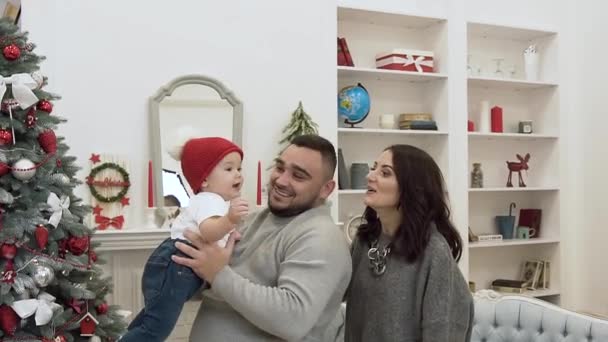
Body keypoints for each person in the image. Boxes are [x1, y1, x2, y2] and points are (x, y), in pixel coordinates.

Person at [172, 134, 352, 341]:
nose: (281, 180)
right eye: (280, 167)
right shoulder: (253, 219)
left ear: (325, 189)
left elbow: (293, 319)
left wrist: (218, 274)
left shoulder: (321, 237)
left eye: (298, 176)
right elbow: (214, 280)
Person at [122, 137, 249, 342]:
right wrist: (230, 220)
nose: (238, 175)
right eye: (229, 169)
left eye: (239, 169)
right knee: (156, 329)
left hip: (174, 266)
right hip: (175, 265)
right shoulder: (210, 200)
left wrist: (230, 230)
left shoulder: (215, 203)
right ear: (205, 180)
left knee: (153, 321)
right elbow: (209, 232)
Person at [344, 145, 474, 341]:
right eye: (374, 168)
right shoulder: (365, 241)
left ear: (412, 188)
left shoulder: (434, 252)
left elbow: (441, 331)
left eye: (385, 173)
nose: (370, 176)